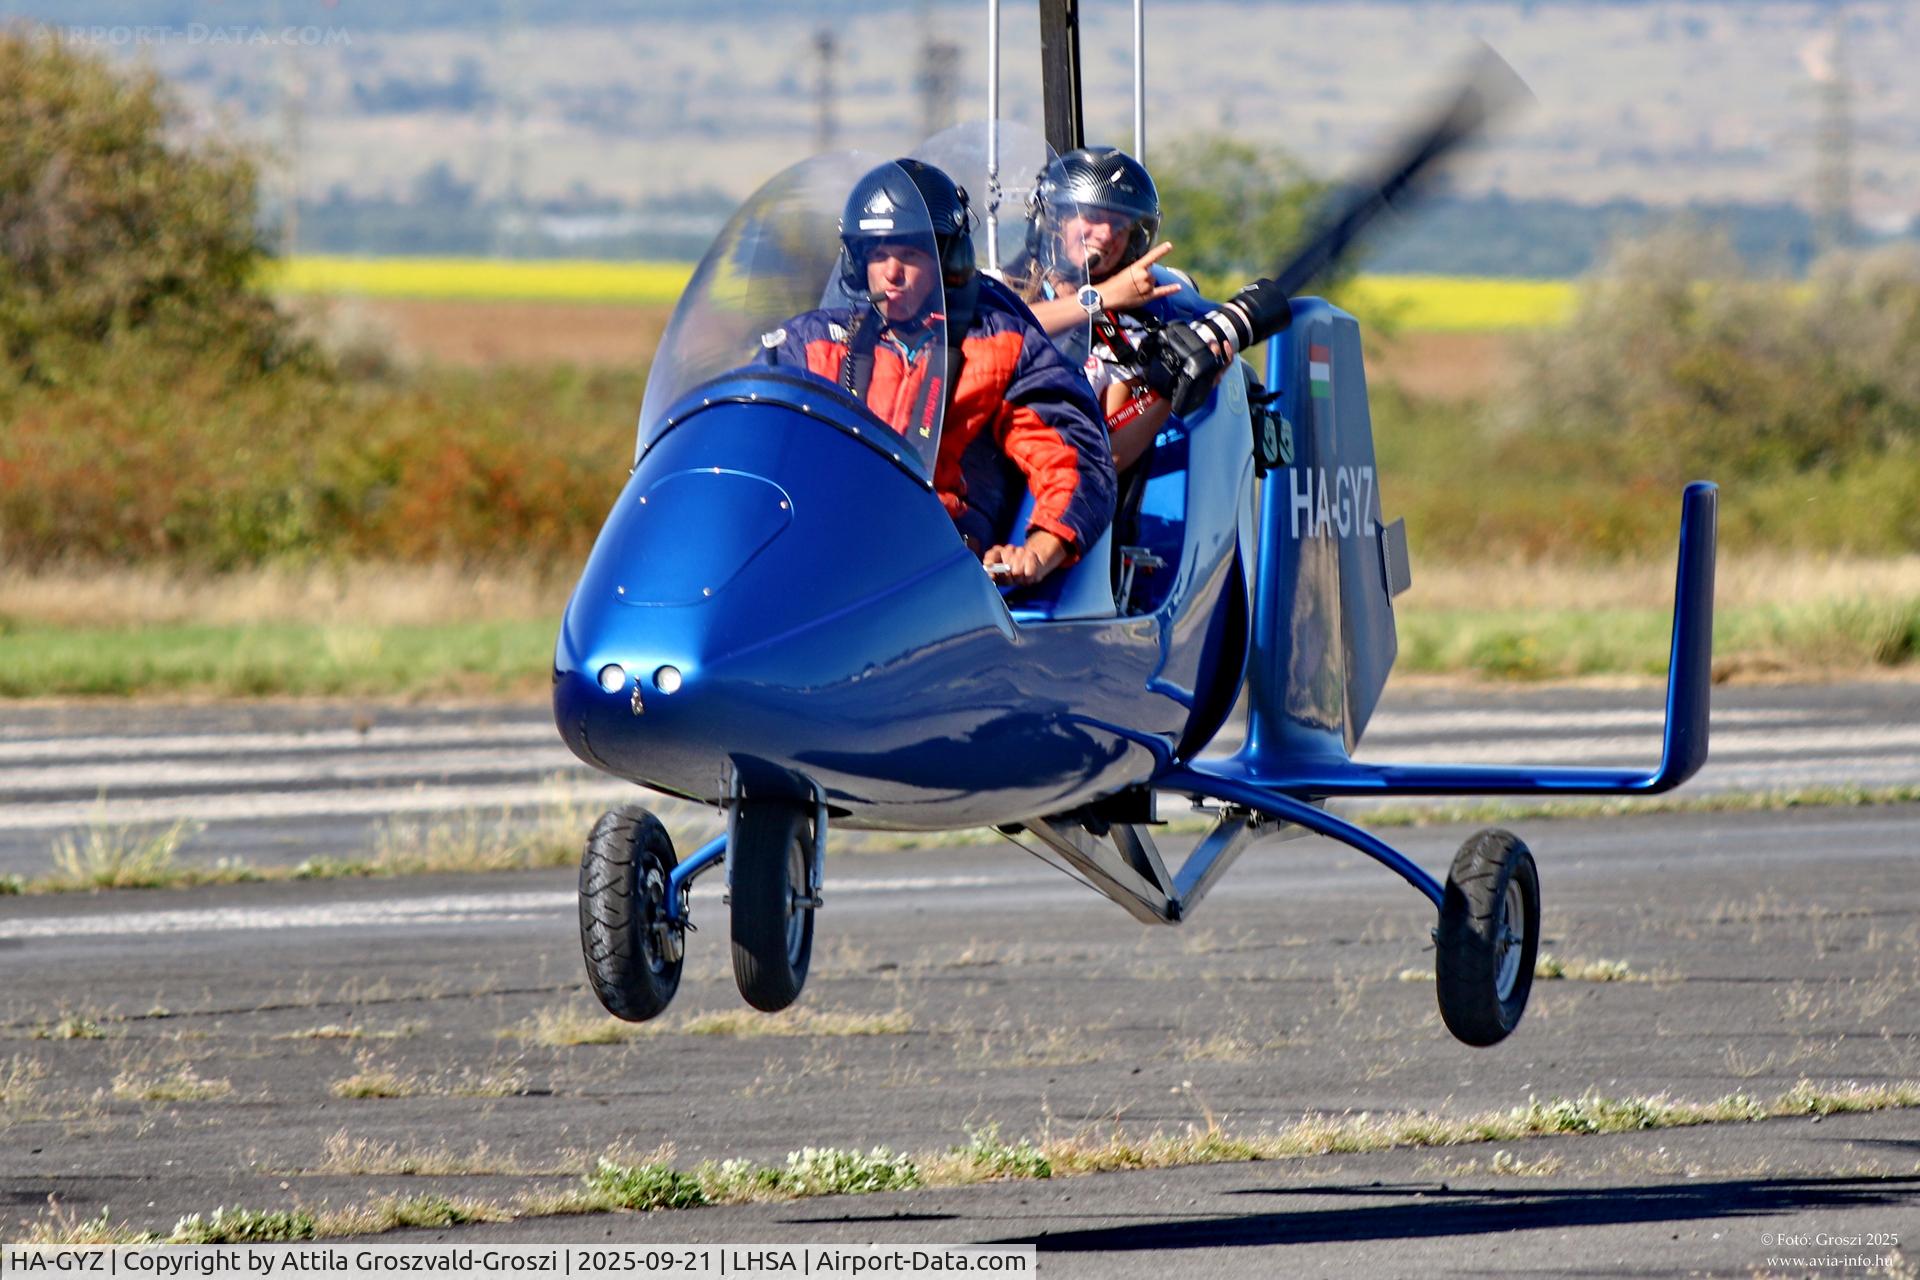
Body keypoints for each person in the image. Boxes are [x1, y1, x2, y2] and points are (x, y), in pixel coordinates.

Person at [762, 158, 1113, 587]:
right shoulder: (811, 345)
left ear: (948, 259)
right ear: (857, 263)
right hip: (826, 556)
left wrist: (1039, 549)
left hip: (941, 569)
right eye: (878, 255)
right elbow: (749, 444)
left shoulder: (1001, 343)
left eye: (911, 255)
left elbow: (1070, 455)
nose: (892, 274)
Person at [1012, 146, 1210, 472]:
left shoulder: (1120, 337)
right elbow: (1008, 327)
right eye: (1091, 217)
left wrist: (1168, 390)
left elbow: (1105, 458)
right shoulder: (997, 289)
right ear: (1055, 222)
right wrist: (1099, 299)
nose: (1105, 235)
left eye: (1120, 224)